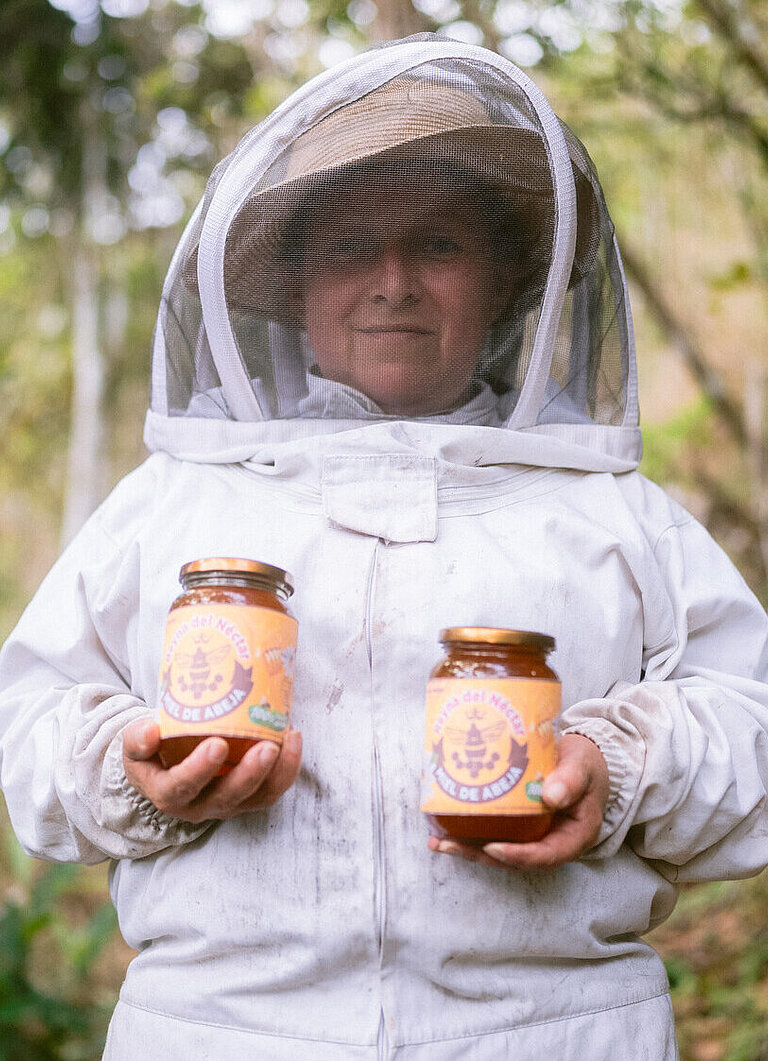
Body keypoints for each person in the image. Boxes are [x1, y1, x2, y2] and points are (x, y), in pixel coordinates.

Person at [0, 32, 766, 1060]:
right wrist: (128, 769)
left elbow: (749, 723)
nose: (394, 281)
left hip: (551, 1037)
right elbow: (29, 735)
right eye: (353, 245)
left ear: (505, 284)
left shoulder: (613, 511)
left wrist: (625, 767)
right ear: (297, 286)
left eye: (441, 245)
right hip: (225, 1032)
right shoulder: (172, 503)